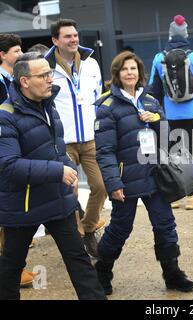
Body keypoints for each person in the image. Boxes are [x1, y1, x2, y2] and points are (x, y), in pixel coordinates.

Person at [0, 52, 106, 300]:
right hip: (22, 207)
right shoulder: (5, 115)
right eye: (44, 75)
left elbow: (56, 147)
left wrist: (65, 164)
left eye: (50, 73)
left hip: (57, 201)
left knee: (79, 260)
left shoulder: (49, 104)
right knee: (11, 268)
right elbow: (8, 165)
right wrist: (58, 171)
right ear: (25, 81)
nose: (50, 79)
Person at [94, 51, 193, 295]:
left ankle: (172, 273)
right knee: (120, 228)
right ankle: (101, 272)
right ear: (117, 74)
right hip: (126, 179)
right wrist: (112, 182)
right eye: (124, 69)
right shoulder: (107, 106)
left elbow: (167, 139)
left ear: (140, 72)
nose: (130, 73)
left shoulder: (151, 100)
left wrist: (158, 120)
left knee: (165, 225)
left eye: (134, 69)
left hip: (155, 175)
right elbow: (104, 151)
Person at [45, 19, 107, 257]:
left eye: (75, 35)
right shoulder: (46, 68)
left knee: (101, 187)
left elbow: (98, 98)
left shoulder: (91, 64)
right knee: (68, 193)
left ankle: (88, 229)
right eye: (67, 36)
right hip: (63, 143)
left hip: (91, 139)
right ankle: (75, 237)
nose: (73, 40)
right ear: (55, 40)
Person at [148, 14, 193, 210]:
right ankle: (192, 197)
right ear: (186, 34)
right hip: (192, 114)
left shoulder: (159, 58)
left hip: (169, 115)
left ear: (169, 35)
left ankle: (174, 196)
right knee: (191, 153)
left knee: (169, 153)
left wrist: (154, 115)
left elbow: (153, 90)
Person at [0, 33, 37, 287]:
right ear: (2, 55)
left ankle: (13, 265)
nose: (20, 53)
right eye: (15, 50)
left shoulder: (16, 80)